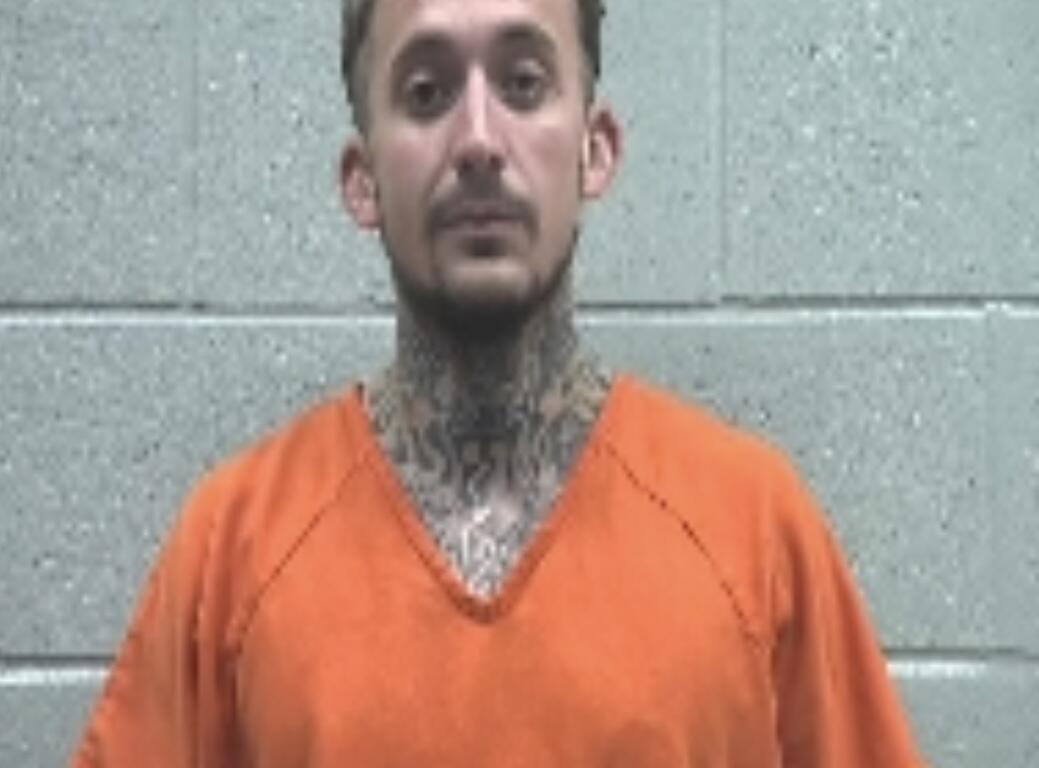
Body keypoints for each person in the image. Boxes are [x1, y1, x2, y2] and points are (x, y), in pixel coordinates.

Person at [71, 0, 926, 765]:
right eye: (425, 93)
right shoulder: (231, 549)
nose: (478, 140)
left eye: (522, 84)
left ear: (594, 151)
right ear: (363, 180)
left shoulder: (754, 529)